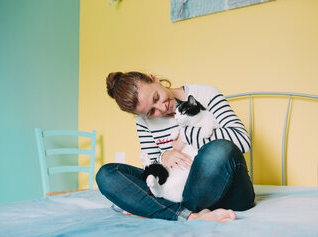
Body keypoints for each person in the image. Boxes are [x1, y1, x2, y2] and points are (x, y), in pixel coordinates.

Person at [96, 71, 255, 222]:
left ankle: (157, 211)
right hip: (177, 189)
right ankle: (191, 216)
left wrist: (186, 136)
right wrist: (163, 157)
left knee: (219, 150)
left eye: (156, 97)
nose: (161, 108)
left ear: (154, 79)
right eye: (151, 112)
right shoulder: (143, 122)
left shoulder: (204, 94)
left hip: (229, 192)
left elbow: (241, 140)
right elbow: (151, 168)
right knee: (107, 174)